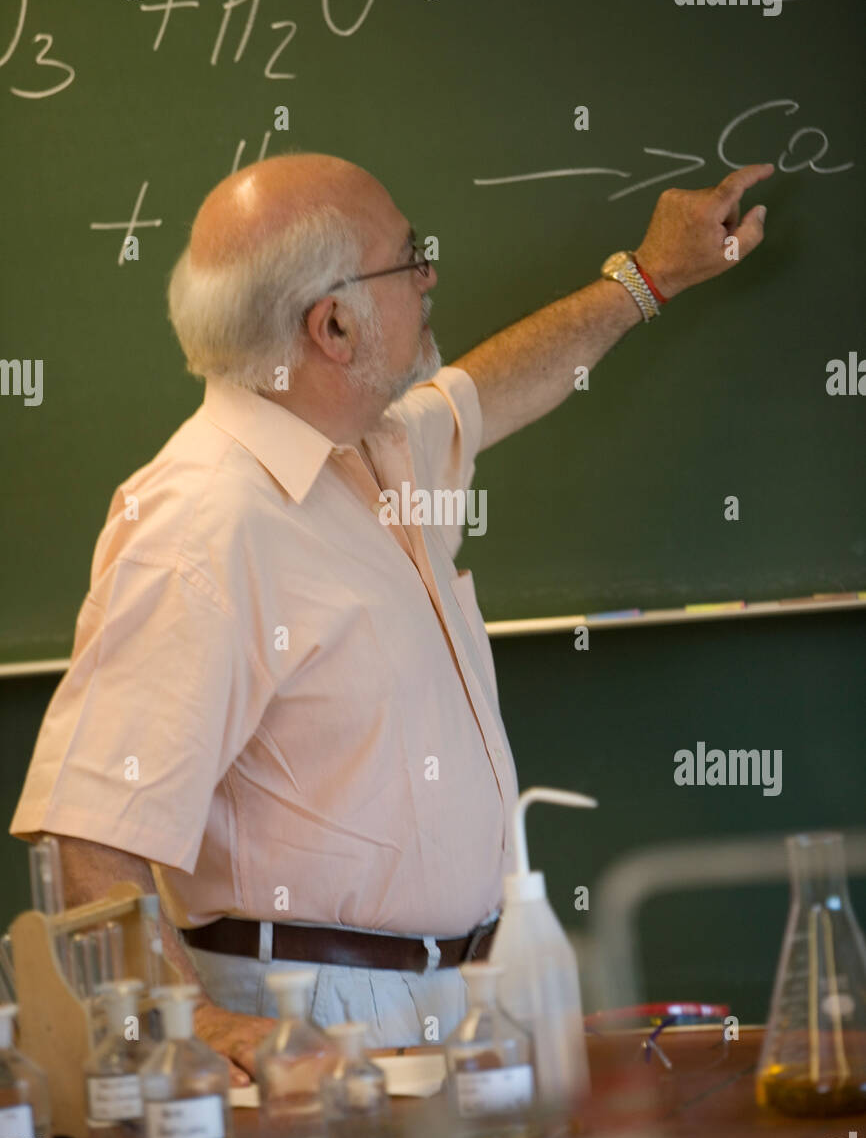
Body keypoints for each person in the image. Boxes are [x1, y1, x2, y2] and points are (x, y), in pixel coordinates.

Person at [9, 151, 773, 1082]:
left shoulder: (373, 446)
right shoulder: (202, 522)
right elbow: (88, 832)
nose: (431, 276)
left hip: (443, 1001)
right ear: (333, 324)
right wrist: (196, 1026)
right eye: (410, 260)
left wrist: (647, 279)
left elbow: (495, 386)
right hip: (317, 1018)